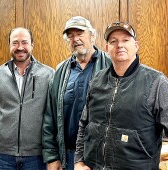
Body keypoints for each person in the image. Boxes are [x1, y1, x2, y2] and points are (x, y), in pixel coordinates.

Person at [74, 22, 168, 170]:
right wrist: (78, 161)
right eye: (113, 41)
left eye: (125, 40)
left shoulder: (156, 82)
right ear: (106, 48)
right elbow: (84, 124)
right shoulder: (97, 80)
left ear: (136, 45)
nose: (119, 45)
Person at [42, 16, 111, 170]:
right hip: (67, 155)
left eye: (80, 33)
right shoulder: (60, 71)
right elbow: (50, 116)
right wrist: (52, 157)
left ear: (92, 35)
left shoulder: (110, 64)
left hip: (100, 156)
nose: (75, 39)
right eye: (71, 36)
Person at [0, 27, 54, 170]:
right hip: (5, 155)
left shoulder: (48, 75)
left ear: (32, 45)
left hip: (37, 156)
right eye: (15, 43)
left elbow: (53, 114)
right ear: (9, 45)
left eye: (25, 42)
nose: (20, 47)